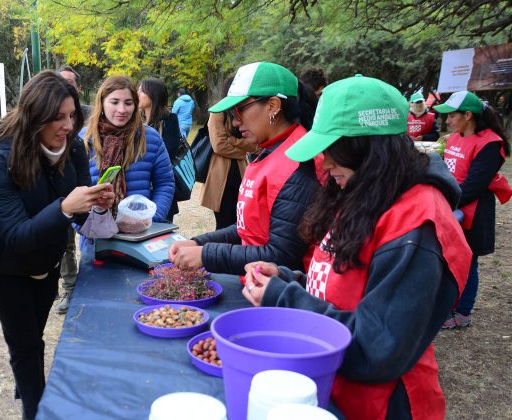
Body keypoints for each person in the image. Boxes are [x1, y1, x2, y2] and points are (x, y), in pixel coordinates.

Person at [242, 75, 472, 419]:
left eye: (336, 149)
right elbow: (348, 283)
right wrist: (290, 279)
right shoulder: (364, 190)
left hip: (381, 405)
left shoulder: (416, 224)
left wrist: (284, 298)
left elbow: (377, 347)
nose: (327, 162)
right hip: (334, 388)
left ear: (371, 147)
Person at [0, 70, 115, 420]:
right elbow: (17, 236)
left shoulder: (75, 146)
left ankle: (27, 379)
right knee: (25, 344)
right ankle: (35, 410)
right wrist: (66, 207)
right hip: (3, 263)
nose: (68, 125)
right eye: (58, 117)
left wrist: (96, 204)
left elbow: (78, 217)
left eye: (71, 116)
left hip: (46, 259)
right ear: (35, 116)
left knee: (34, 333)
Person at [169, 62, 320, 276]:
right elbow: (248, 229)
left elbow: (282, 255)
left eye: (240, 110)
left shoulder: (298, 161)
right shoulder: (270, 151)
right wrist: (198, 242)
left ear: (273, 106)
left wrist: (206, 254)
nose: (235, 121)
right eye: (232, 112)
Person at [433, 91, 512, 328]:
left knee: (468, 261)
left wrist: (443, 204)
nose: (446, 121)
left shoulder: (490, 143)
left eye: (451, 116)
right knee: (448, 260)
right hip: (450, 207)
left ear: (468, 115)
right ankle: (447, 305)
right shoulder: (454, 138)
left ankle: (462, 312)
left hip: (472, 213)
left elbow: (474, 186)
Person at [81, 75, 174, 229]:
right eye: (114, 102)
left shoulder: (150, 138)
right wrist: (86, 226)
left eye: (128, 103)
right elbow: (73, 190)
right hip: (95, 236)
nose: (122, 110)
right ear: (102, 102)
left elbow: (165, 183)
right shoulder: (84, 139)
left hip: (141, 233)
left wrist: (152, 218)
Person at [200, 76, 257, 230]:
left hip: (242, 174)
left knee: (240, 222)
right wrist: (241, 150)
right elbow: (219, 145)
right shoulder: (218, 111)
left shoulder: (243, 111)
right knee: (224, 224)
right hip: (220, 177)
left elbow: (255, 144)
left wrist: (232, 141)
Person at [53, 65, 89, 314]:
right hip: (58, 196)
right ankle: (64, 286)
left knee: (73, 244)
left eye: (69, 83)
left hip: (79, 191)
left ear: (78, 88)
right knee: (63, 245)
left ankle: (72, 287)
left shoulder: (88, 116)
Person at [138, 77, 183, 221]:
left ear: (153, 94)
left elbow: (168, 153)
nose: (137, 93)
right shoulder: (137, 121)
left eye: (141, 90)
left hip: (159, 188)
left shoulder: (169, 120)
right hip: (141, 187)